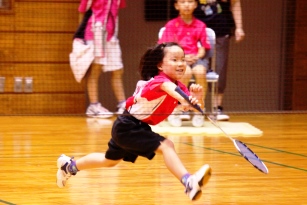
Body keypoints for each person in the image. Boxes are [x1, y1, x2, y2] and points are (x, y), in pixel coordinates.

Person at [56, 42, 212, 201]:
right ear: (160, 65)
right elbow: (172, 91)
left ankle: (69, 166)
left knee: (109, 161)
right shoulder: (159, 82)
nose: (180, 64)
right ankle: (188, 182)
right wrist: (185, 100)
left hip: (130, 126)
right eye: (174, 60)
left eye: (183, 59)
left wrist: (197, 100)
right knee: (167, 145)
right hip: (129, 126)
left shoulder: (178, 86)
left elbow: (197, 107)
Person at [158, 0, 211, 124]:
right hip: (178, 60)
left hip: (197, 58)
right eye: (182, 2)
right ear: (176, 6)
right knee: (185, 73)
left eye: (190, 1)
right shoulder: (171, 25)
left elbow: (203, 48)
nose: (186, 5)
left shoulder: (200, 25)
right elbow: (167, 48)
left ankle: (199, 109)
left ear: (196, 5)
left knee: (200, 71)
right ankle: (176, 109)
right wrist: (183, 58)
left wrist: (197, 56)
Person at [194, 0, 245, 121]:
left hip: (221, 30)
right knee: (192, 68)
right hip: (194, 31)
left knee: (220, 68)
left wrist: (239, 27)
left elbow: (235, 3)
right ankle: (189, 107)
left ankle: (217, 108)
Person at [77, 0, 127, 118]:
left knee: (118, 70)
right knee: (96, 69)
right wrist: (80, 36)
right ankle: (94, 106)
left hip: (111, 37)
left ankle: (122, 105)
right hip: (94, 35)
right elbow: (82, 11)